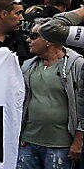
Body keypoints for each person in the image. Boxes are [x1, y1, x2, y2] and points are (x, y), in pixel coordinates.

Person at [17, 23, 84, 167]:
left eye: (34, 36)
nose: (28, 40)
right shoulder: (27, 66)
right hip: (27, 142)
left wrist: (79, 141)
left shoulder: (77, 66)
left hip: (61, 145)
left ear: (49, 40)